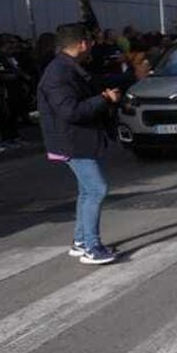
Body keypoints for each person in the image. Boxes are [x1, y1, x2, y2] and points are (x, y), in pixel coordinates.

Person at [38, 23, 122, 265]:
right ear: (82, 43)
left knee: (87, 191)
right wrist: (104, 99)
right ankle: (92, 247)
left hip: (77, 139)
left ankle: (80, 241)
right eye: (90, 41)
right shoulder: (58, 73)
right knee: (97, 189)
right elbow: (70, 111)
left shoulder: (68, 67)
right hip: (72, 141)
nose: (93, 45)